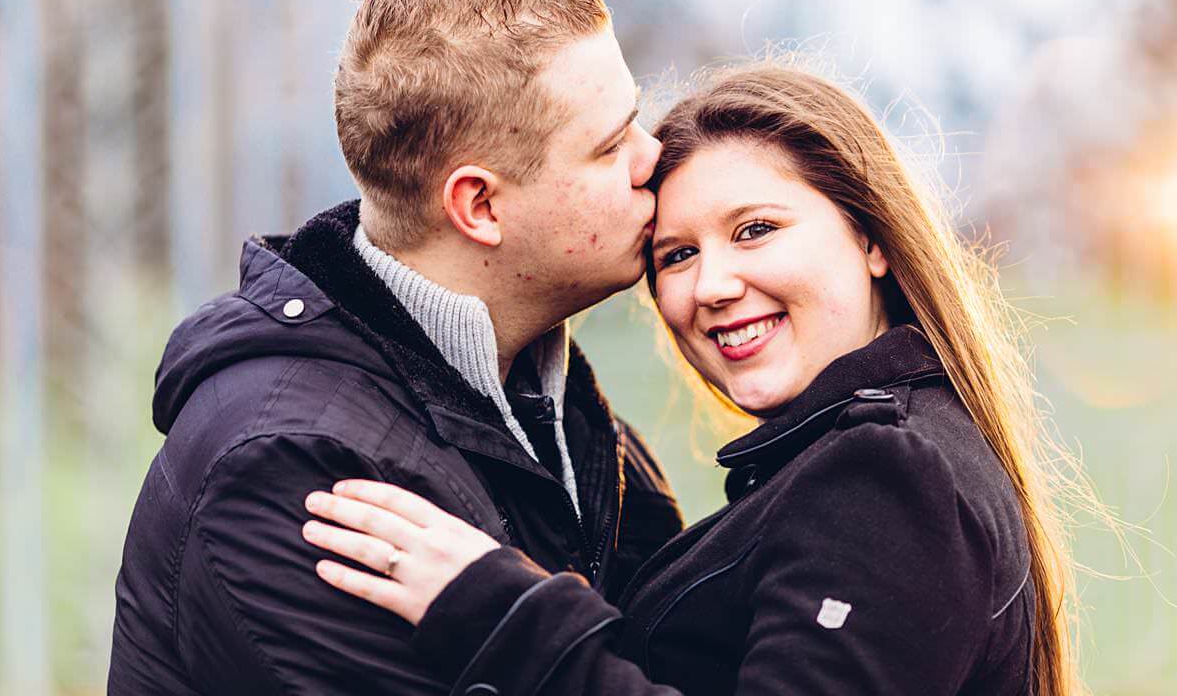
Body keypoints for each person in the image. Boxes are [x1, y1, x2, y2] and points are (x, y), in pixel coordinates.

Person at [301, 62, 1084, 695]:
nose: (711, 285)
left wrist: (507, 618)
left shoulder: (888, 477)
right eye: (677, 255)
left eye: (756, 230)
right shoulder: (861, 453)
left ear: (871, 240)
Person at [108, 0, 684, 695]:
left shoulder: (544, 396)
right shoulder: (294, 473)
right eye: (611, 146)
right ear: (478, 205)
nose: (655, 155)